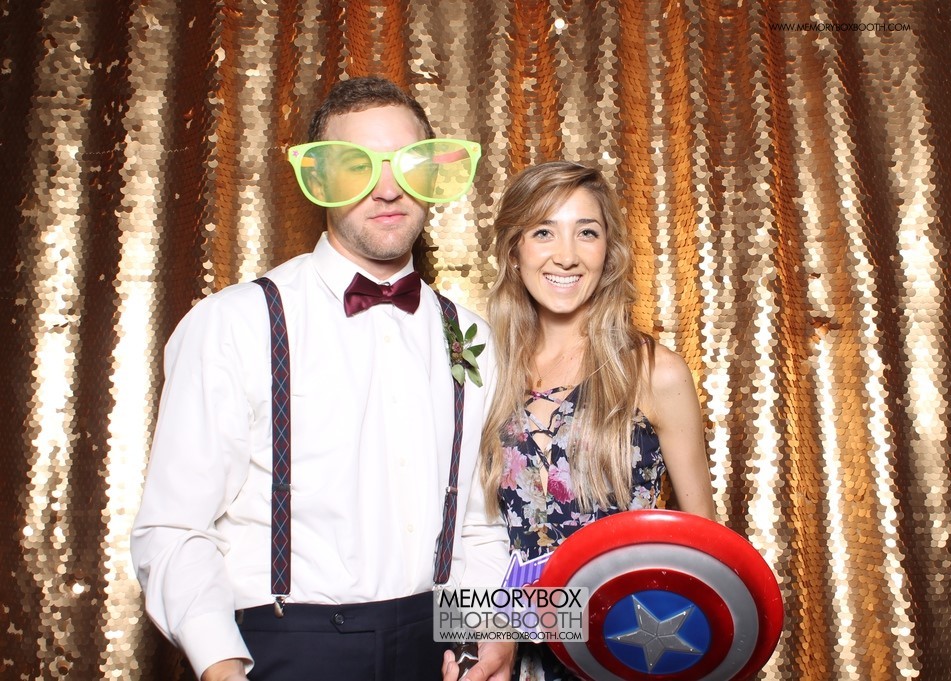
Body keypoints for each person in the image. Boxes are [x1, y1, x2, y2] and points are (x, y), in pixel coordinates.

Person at [132, 76, 514, 681]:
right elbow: (175, 528)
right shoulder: (236, 322)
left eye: (408, 164)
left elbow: (479, 521)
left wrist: (494, 631)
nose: (387, 188)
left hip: (437, 646)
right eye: (354, 167)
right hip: (286, 646)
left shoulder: (470, 336)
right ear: (318, 180)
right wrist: (221, 666)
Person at [474, 161, 716, 680]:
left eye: (586, 232)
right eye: (543, 232)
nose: (566, 255)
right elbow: (462, 537)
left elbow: (704, 543)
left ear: (608, 252)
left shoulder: (653, 371)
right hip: (507, 658)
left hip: (627, 648)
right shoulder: (485, 370)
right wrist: (480, 634)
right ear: (514, 251)